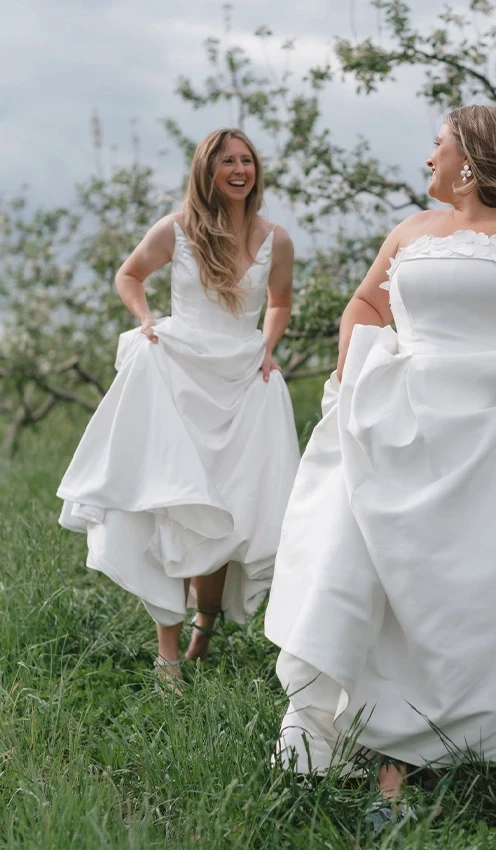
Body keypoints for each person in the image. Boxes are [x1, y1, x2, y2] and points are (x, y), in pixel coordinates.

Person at [264, 105, 496, 806]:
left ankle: (418, 759)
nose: (425, 159)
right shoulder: (411, 231)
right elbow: (366, 308)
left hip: (494, 434)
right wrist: (351, 379)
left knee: (459, 590)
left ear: (471, 154)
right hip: (396, 427)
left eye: (435, 145)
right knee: (363, 574)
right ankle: (367, 743)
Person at [58, 128, 300, 690]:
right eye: (227, 162)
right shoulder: (178, 230)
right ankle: (168, 651)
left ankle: (202, 633)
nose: (239, 170)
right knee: (172, 505)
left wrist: (267, 349)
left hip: (240, 381)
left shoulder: (276, 239)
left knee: (223, 511)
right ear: (206, 170)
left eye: (247, 161)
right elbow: (129, 275)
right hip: (179, 374)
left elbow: (280, 301)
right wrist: (145, 320)